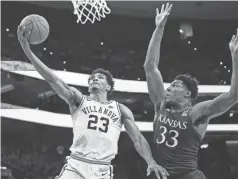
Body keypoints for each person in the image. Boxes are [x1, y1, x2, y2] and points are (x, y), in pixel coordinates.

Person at [17, 26, 169, 179]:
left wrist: (151, 161)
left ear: (108, 86)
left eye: (100, 77)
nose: (94, 78)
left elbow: (138, 139)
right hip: (76, 165)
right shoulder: (78, 99)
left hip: (102, 169)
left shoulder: (121, 109)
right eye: (92, 78)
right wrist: (28, 52)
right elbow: (52, 79)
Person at [144, 3, 238, 179]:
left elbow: (235, 96)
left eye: (175, 85)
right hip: (161, 175)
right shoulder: (161, 105)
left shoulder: (195, 112)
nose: (169, 88)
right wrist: (159, 28)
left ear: (188, 93)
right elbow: (150, 67)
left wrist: (235, 56)